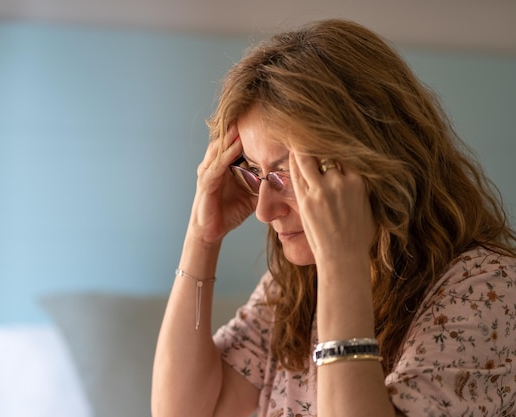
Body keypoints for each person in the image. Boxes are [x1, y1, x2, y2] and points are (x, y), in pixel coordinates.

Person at [151, 18, 516, 417]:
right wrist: (202, 239)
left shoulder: (488, 289)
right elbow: (183, 411)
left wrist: (343, 263)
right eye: (255, 172)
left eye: (286, 172)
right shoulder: (294, 284)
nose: (264, 210)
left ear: (371, 158)